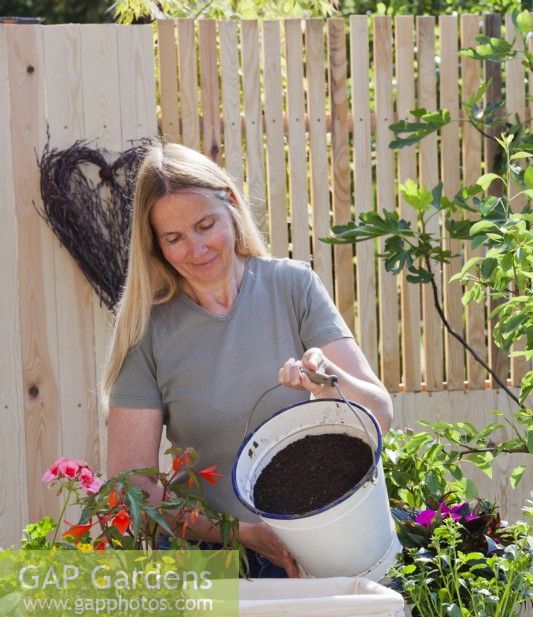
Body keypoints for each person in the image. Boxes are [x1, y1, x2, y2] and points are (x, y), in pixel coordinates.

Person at [102, 141, 393, 579]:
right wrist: (245, 534)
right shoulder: (149, 333)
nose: (196, 248)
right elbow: (134, 492)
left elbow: (380, 415)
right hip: (210, 562)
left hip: (322, 547)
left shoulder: (292, 287)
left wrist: (329, 380)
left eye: (205, 225)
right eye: (174, 238)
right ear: (156, 246)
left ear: (232, 206)